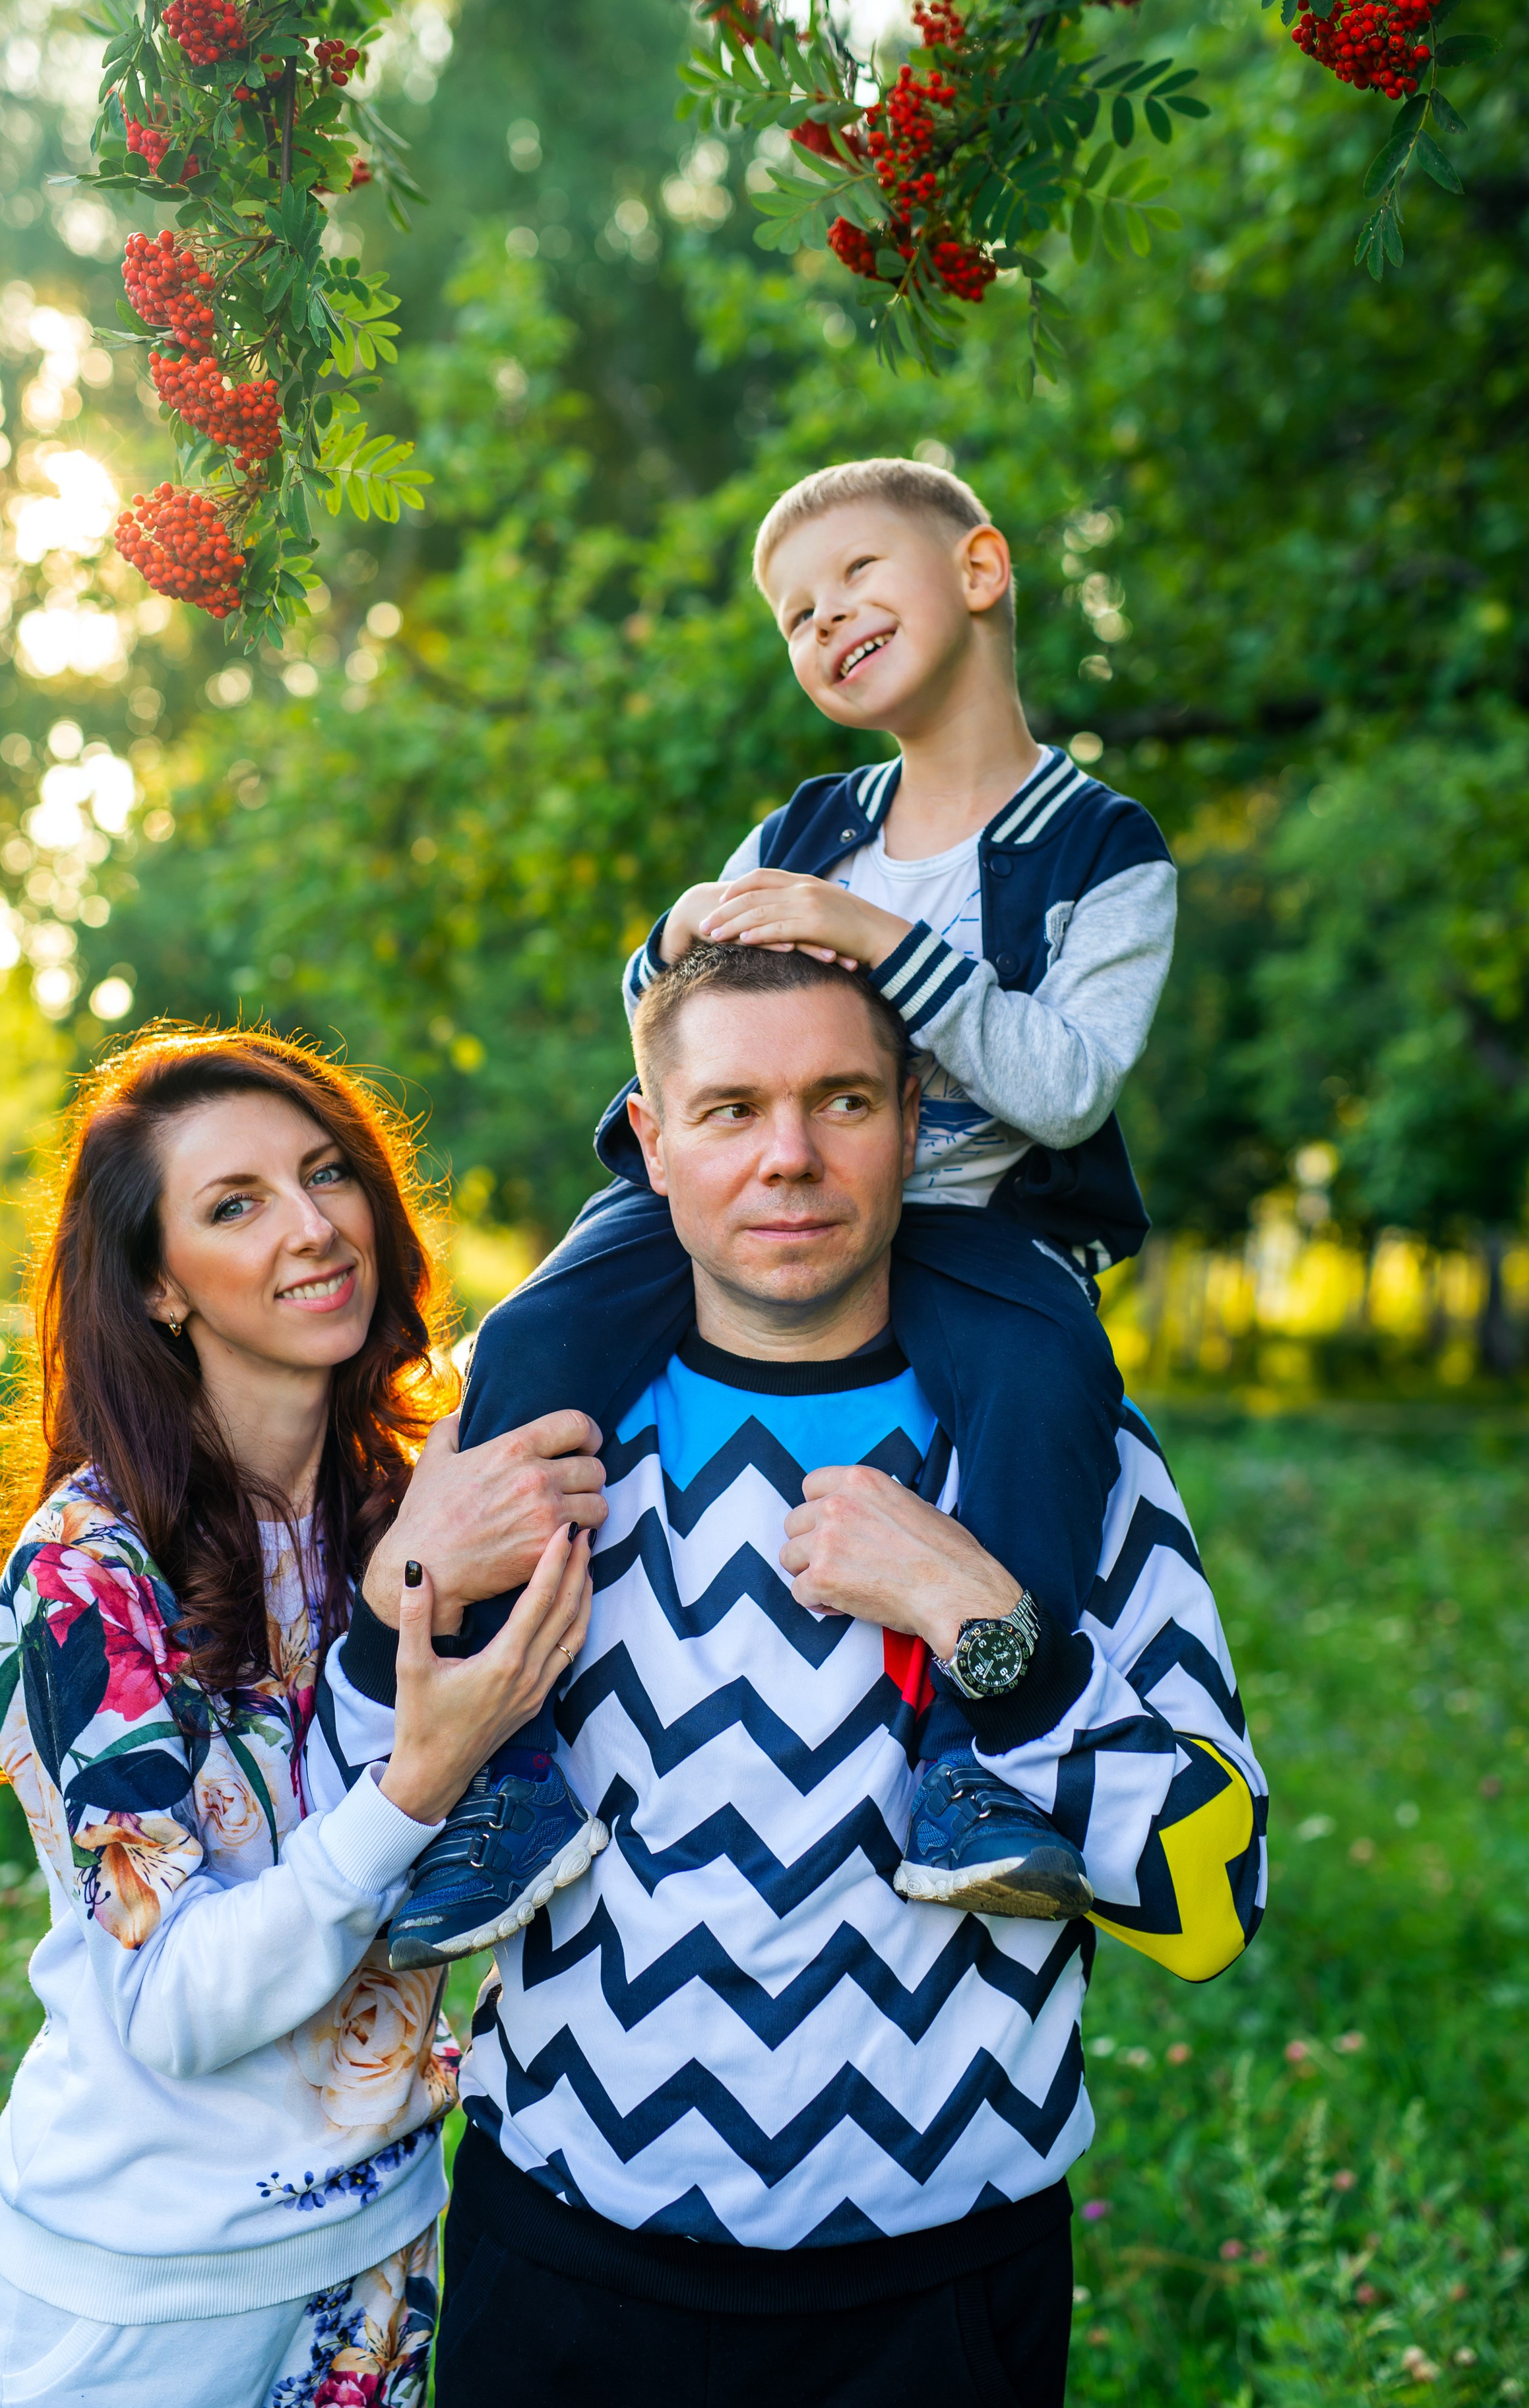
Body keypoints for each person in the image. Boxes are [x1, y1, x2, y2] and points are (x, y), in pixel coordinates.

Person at [338, 943, 1266, 2408]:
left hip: (936, 2302)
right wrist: (403, 1593)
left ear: (914, 1120)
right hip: (561, 2272)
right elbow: (341, 1865)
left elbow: (1214, 1901)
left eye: (840, 1100)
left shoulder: (1069, 1446)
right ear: (648, 1142)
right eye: (727, 1109)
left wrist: (988, 1630)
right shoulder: (516, 1442)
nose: (788, 1157)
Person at [385, 455, 1177, 1970]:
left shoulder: (1101, 851)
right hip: (750, 1195)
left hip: (971, 1213)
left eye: (855, 582)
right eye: (795, 616)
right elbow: (673, 1015)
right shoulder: (804, 825)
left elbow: (1066, 1086)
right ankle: (505, 1763)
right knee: (540, 1328)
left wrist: (871, 941)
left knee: (1045, 1369)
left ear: (979, 569)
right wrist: (665, 946)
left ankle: (972, 1764)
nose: (824, 626)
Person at [0, 1028, 610, 2408]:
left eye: (325, 1175)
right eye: (235, 1204)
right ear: (156, 1285)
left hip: (377, 2266)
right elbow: (177, 2003)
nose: (312, 1228)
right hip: (137, 2304)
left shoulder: (420, 1506)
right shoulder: (86, 1579)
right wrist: (415, 1778)